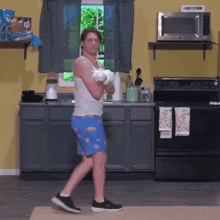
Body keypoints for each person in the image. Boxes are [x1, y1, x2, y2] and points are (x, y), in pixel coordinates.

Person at [51, 28, 123, 213]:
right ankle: (98, 201)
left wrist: (105, 76)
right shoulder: (81, 63)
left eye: (96, 40)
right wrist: (104, 80)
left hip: (89, 118)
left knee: (89, 161)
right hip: (87, 119)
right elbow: (98, 94)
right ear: (82, 43)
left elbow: (113, 90)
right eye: (89, 40)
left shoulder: (97, 65)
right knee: (100, 159)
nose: (94, 43)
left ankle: (65, 195)